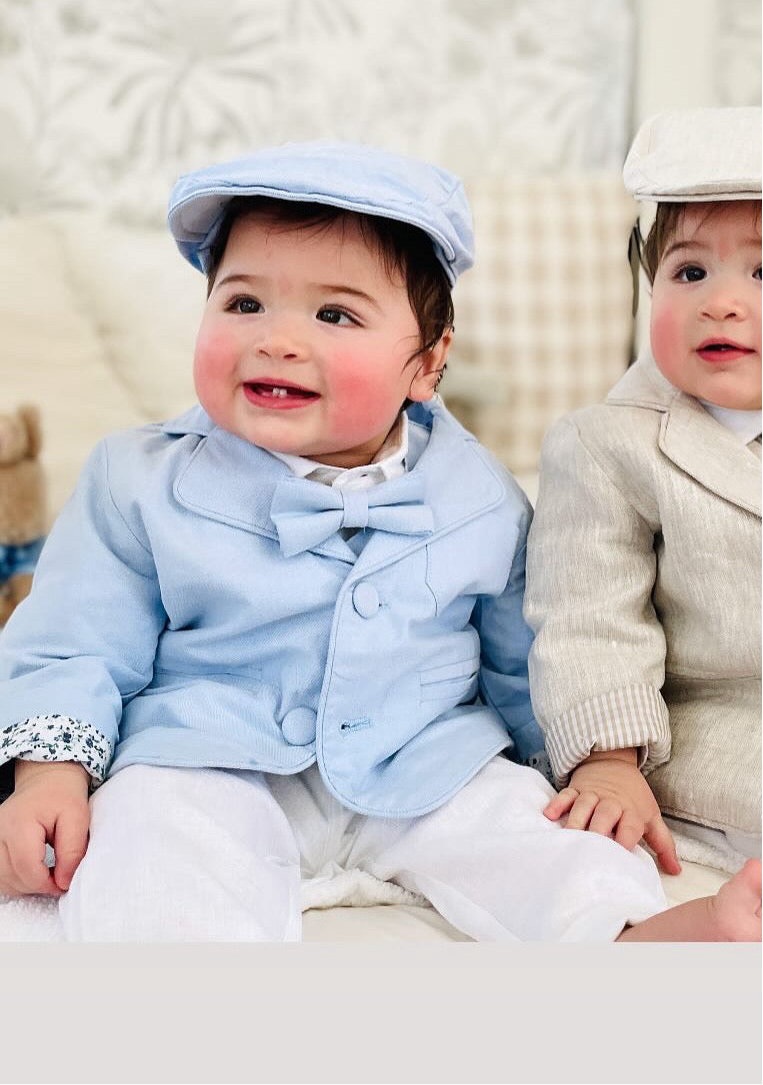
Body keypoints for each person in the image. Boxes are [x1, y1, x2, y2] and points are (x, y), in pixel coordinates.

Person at [0, 140, 748, 941]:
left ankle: (644, 937)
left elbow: (525, 655)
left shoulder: (480, 497)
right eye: (243, 303)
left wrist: (588, 765)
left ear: (426, 364)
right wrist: (50, 773)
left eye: (334, 315)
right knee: (148, 834)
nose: (277, 340)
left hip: (424, 763)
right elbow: (73, 642)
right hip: (207, 755)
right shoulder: (135, 479)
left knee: (543, 834)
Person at [525, 107, 763, 941]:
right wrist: (607, 759)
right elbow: (590, 615)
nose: (722, 304)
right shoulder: (606, 444)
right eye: (688, 272)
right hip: (719, 740)